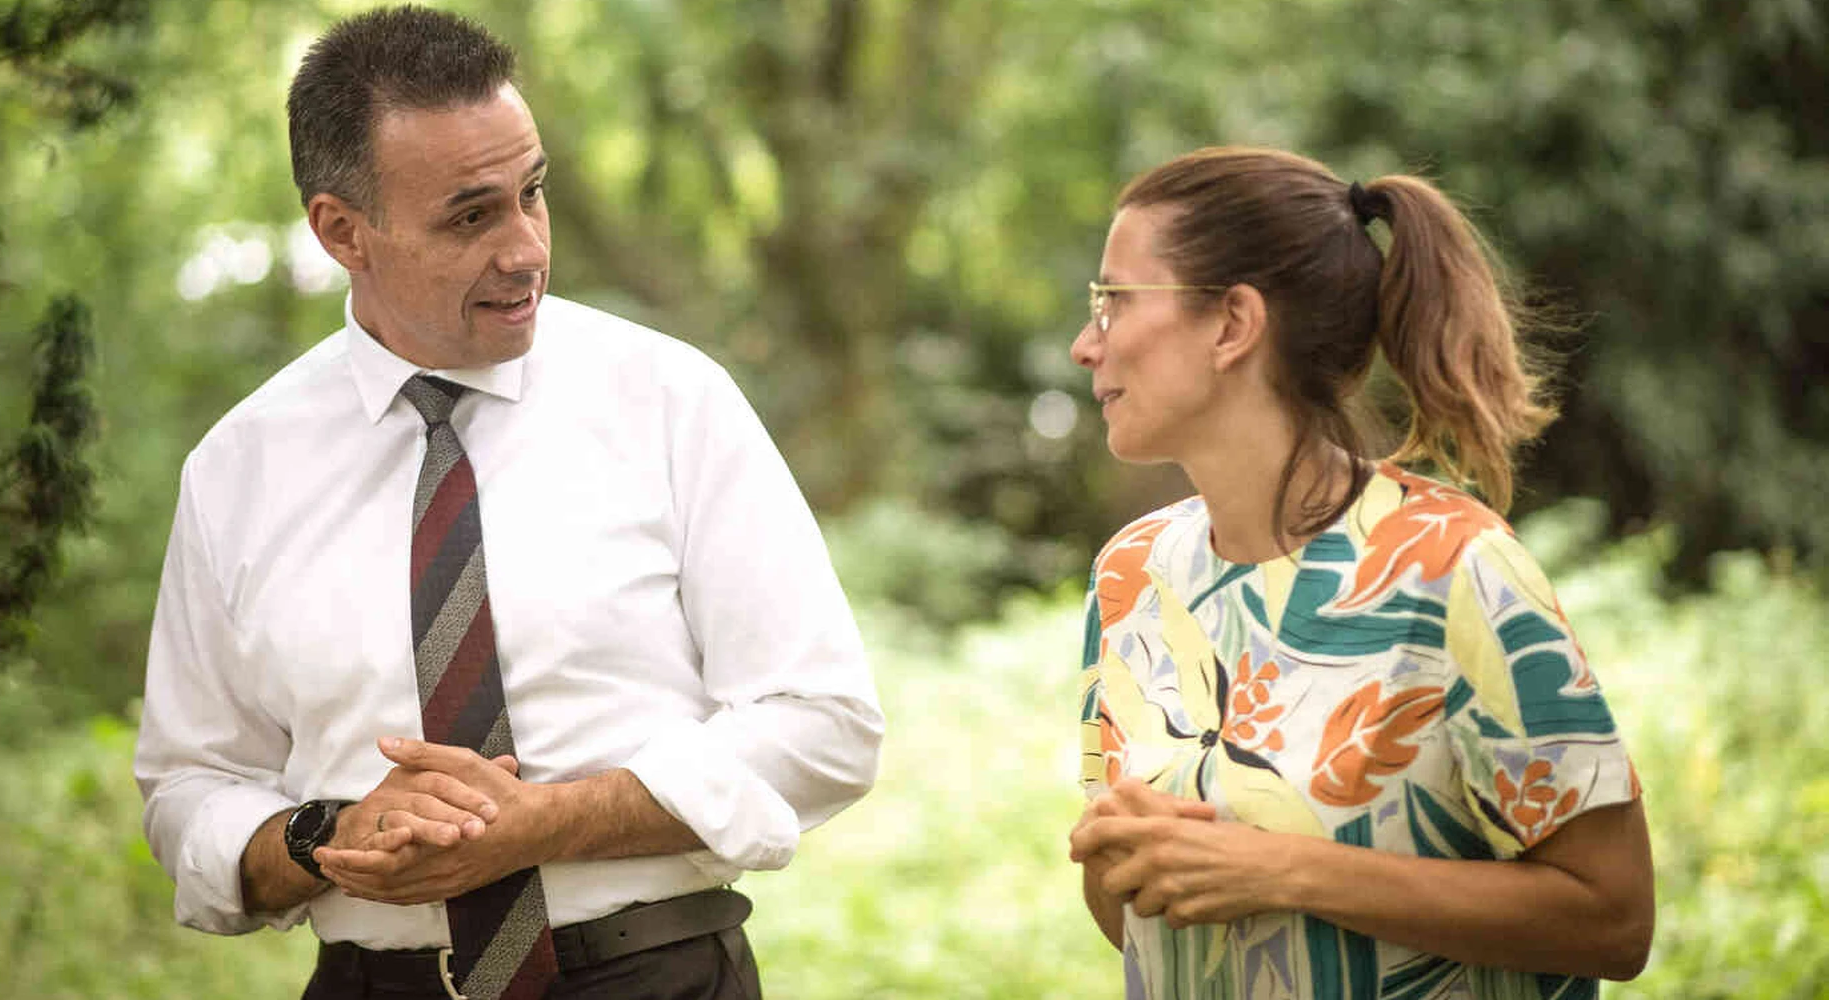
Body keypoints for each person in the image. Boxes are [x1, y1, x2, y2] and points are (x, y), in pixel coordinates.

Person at [132, 7, 883, 999]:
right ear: (342, 231)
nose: (525, 249)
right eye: (470, 217)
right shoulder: (238, 469)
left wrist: (548, 823)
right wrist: (324, 836)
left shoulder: (671, 400)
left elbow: (824, 724)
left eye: (532, 193)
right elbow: (189, 786)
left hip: (654, 977)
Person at [1063, 146, 1653, 999]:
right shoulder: (1130, 575)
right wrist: (1123, 853)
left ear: (1232, 324)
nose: (1086, 345)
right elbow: (1134, 926)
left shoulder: (1456, 568)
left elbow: (1615, 920)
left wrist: (1280, 870)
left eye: (1114, 301)